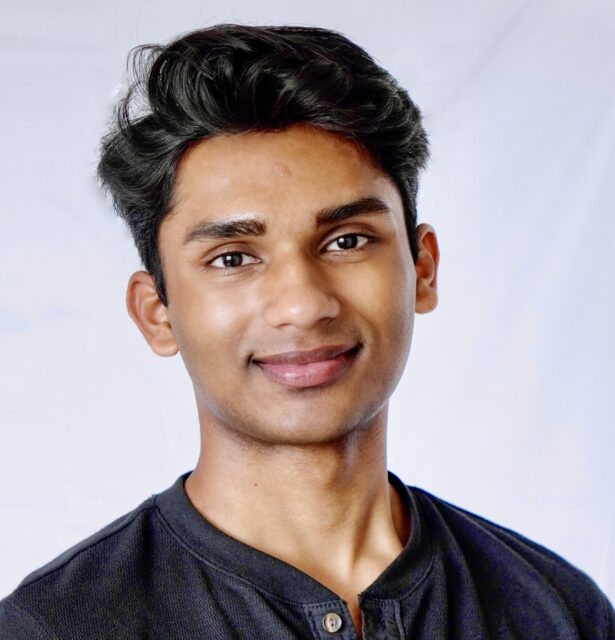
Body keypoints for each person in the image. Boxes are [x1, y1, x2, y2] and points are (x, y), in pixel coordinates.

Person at [0, 23, 612, 640]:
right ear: (157, 312)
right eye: (232, 258)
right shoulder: (55, 628)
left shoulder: (557, 610)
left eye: (347, 241)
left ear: (422, 269)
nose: (302, 305)